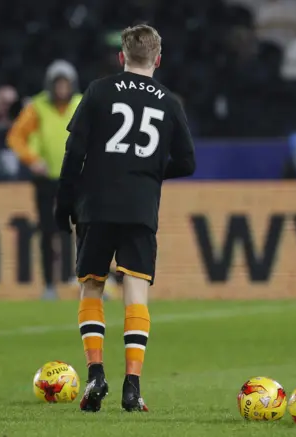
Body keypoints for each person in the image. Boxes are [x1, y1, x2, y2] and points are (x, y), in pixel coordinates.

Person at [55, 24, 195, 413]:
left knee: (92, 286)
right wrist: (148, 173)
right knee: (135, 288)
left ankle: (96, 373)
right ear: (158, 59)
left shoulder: (99, 90)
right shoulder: (169, 102)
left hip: (96, 205)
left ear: (122, 57)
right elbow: (188, 162)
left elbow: (74, 150)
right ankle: (132, 386)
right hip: (140, 207)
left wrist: (64, 202)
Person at [7, 60, 82, 299]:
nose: (62, 89)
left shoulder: (82, 104)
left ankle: (83, 280)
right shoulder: (37, 107)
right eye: (58, 84)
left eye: (65, 84)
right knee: (48, 231)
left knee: (84, 229)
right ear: (51, 85)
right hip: (46, 179)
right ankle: (49, 284)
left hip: (76, 178)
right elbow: (16, 137)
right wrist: (31, 159)